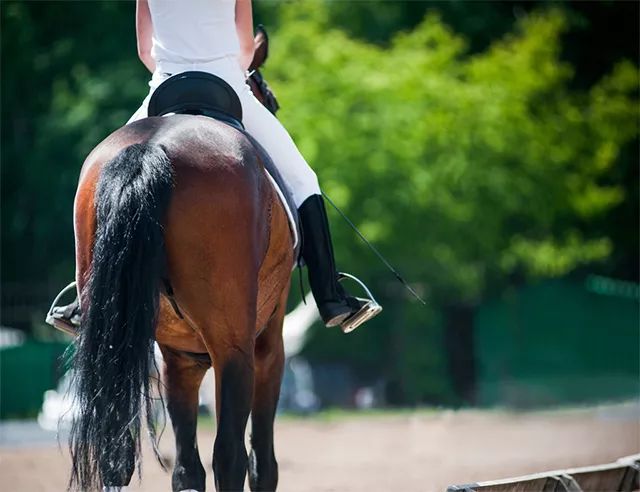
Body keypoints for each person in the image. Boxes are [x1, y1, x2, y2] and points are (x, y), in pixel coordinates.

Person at [48, 0, 379, 332]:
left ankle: (86, 299)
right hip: (227, 86)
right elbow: (247, 49)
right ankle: (330, 295)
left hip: (164, 88)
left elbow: (145, 52)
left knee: (104, 175)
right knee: (304, 178)